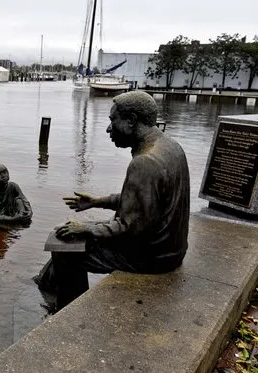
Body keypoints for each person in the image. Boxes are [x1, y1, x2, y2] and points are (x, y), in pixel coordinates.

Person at [35, 91, 190, 309]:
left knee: (64, 249)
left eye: (112, 120)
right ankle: (48, 285)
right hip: (172, 249)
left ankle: (70, 310)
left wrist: (87, 228)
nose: (109, 128)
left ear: (131, 120)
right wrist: (97, 202)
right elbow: (146, 205)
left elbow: (129, 229)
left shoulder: (145, 162)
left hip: (153, 257)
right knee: (70, 233)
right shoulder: (171, 147)